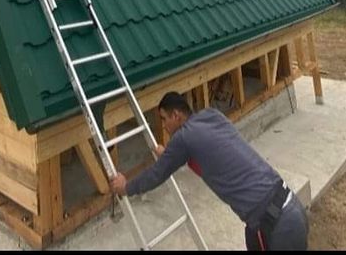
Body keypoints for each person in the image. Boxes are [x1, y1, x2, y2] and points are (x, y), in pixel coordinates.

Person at [109, 91, 309, 251]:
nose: (164, 126)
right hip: (290, 205)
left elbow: (156, 175)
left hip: (273, 226)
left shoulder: (183, 139)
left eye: (164, 119)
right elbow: (211, 152)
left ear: (176, 115)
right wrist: (170, 155)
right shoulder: (211, 115)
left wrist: (126, 187)